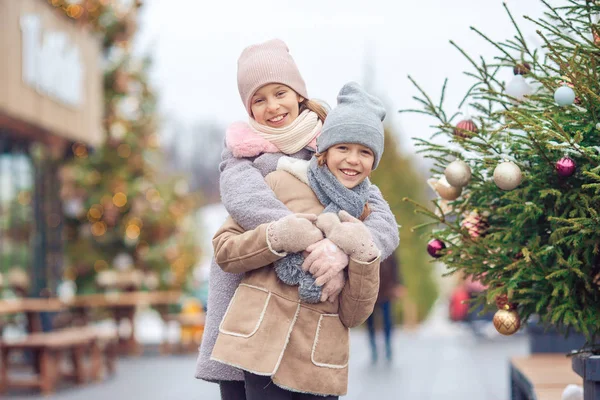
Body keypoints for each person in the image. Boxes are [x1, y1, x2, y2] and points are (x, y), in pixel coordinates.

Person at [195, 39, 400, 399]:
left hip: (310, 314)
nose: (273, 106)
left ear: (299, 94)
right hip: (249, 302)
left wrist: (345, 250)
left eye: (280, 93)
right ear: (249, 107)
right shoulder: (243, 153)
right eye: (259, 99)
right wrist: (315, 242)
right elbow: (248, 202)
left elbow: (380, 217)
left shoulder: (334, 147)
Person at [365, 254, 404, 363]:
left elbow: (395, 269)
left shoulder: (389, 250)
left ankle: (388, 347)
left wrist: (398, 285)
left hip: (386, 292)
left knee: (387, 321)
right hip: (370, 293)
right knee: (370, 322)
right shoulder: (367, 248)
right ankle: (373, 349)